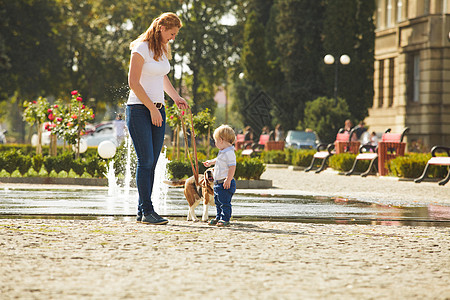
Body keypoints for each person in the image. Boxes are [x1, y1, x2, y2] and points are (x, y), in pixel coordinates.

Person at [127, 12, 188, 225]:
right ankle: (147, 211)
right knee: (146, 161)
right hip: (138, 110)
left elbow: (162, 77)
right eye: (172, 33)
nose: (173, 38)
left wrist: (176, 97)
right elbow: (133, 82)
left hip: (157, 110)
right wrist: (151, 108)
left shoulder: (161, 49)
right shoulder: (140, 48)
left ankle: (142, 211)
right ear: (162, 28)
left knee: (152, 164)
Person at [202, 125, 237, 227]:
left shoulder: (229, 153)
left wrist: (228, 179)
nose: (215, 143)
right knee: (218, 202)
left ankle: (225, 219)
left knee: (225, 202)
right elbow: (219, 160)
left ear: (221, 140)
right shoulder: (223, 152)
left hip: (225, 183)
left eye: (216, 141)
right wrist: (211, 162)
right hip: (218, 183)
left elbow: (232, 167)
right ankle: (219, 217)